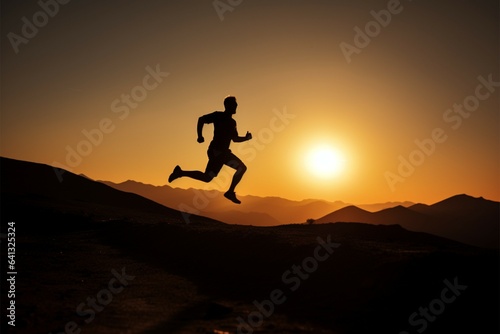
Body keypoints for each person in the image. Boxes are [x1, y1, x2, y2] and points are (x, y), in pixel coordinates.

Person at [168, 96, 252, 204]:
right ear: (228, 106)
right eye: (234, 104)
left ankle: (230, 192)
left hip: (224, 153)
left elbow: (235, 139)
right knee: (209, 177)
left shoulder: (232, 122)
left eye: (236, 105)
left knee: (237, 169)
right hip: (217, 152)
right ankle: (180, 173)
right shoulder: (218, 115)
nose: (236, 106)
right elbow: (201, 119)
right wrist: (200, 136)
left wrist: (246, 138)